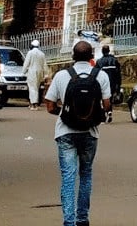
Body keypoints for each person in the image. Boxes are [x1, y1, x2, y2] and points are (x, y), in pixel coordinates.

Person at [45, 39, 112, 226]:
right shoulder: (102, 76)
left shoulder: (61, 75)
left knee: (68, 176)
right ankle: (82, 218)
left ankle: (69, 221)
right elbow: (106, 105)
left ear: (72, 56)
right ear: (92, 57)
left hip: (65, 132)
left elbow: (49, 105)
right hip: (90, 133)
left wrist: (66, 112)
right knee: (86, 174)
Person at [93, 45, 120, 123]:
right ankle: (109, 111)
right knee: (109, 98)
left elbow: (95, 73)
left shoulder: (99, 61)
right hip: (113, 83)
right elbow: (118, 74)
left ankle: (103, 115)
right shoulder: (115, 60)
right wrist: (118, 85)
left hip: (102, 83)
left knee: (102, 99)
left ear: (102, 51)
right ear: (109, 51)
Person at [25, 39, 49, 110]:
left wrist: (23, 71)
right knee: (36, 88)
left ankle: (33, 105)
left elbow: (26, 63)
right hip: (39, 73)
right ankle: (34, 104)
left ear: (32, 45)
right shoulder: (42, 54)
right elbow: (45, 65)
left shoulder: (30, 53)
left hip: (31, 72)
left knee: (32, 88)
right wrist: (46, 75)